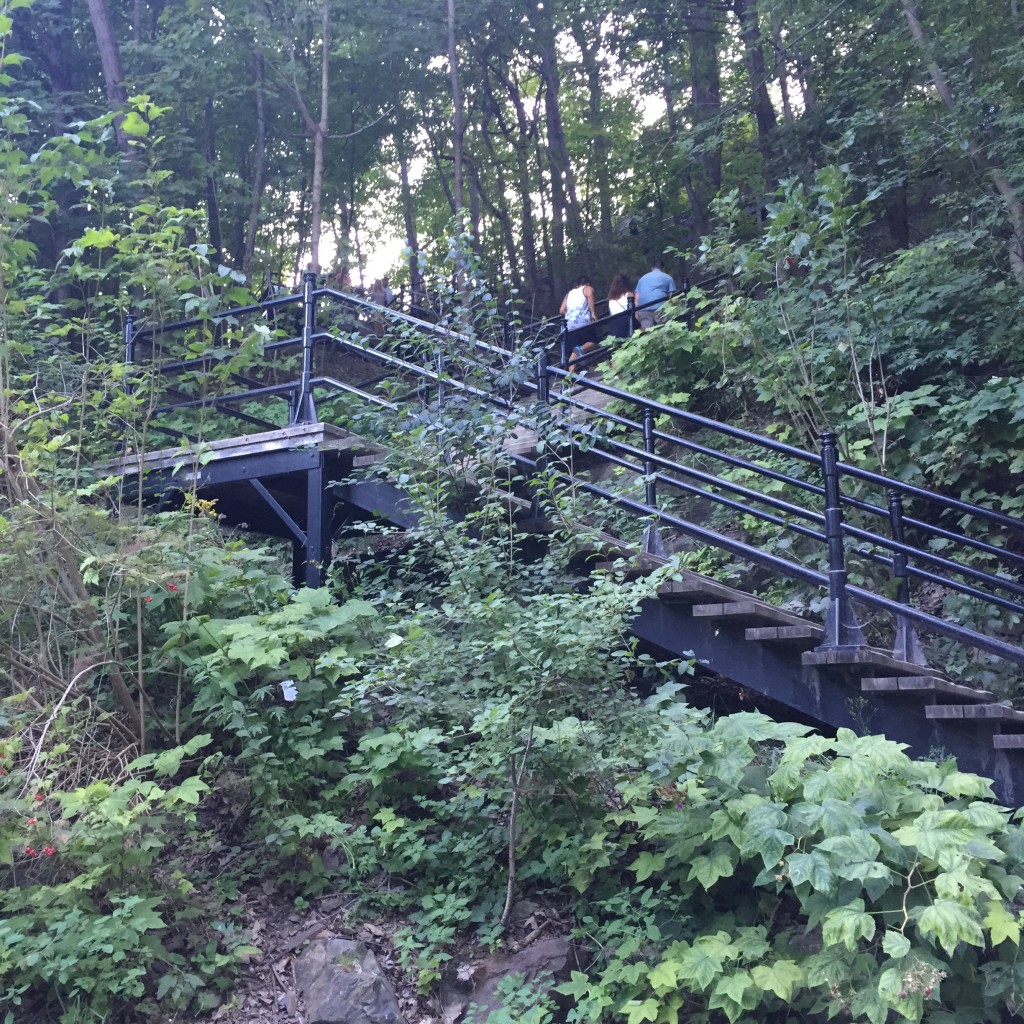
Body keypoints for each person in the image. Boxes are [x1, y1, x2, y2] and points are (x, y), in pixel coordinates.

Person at [560, 274, 597, 371]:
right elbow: (589, 295)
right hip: (582, 322)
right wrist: (592, 313)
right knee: (593, 342)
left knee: (574, 350)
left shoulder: (569, 294)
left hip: (569, 324)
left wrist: (571, 313)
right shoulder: (587, 288)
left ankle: (570, 377)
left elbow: (562, 310)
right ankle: (579, 350)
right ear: (587, 283)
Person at [634, 258, 676, 329]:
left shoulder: (642, 278)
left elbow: (637, 296)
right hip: (661, 306)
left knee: (648, 331)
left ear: (652, 268)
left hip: (643, 307)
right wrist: (672, 309)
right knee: (664, 329)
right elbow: (672, 297)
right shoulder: (668, 278)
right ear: (663, 268)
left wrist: (636, 311)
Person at [606, 273, 635, 338]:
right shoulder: (629, 295)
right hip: (626, 323)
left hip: (614, 325)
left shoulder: (611, 299)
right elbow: (633, 311)